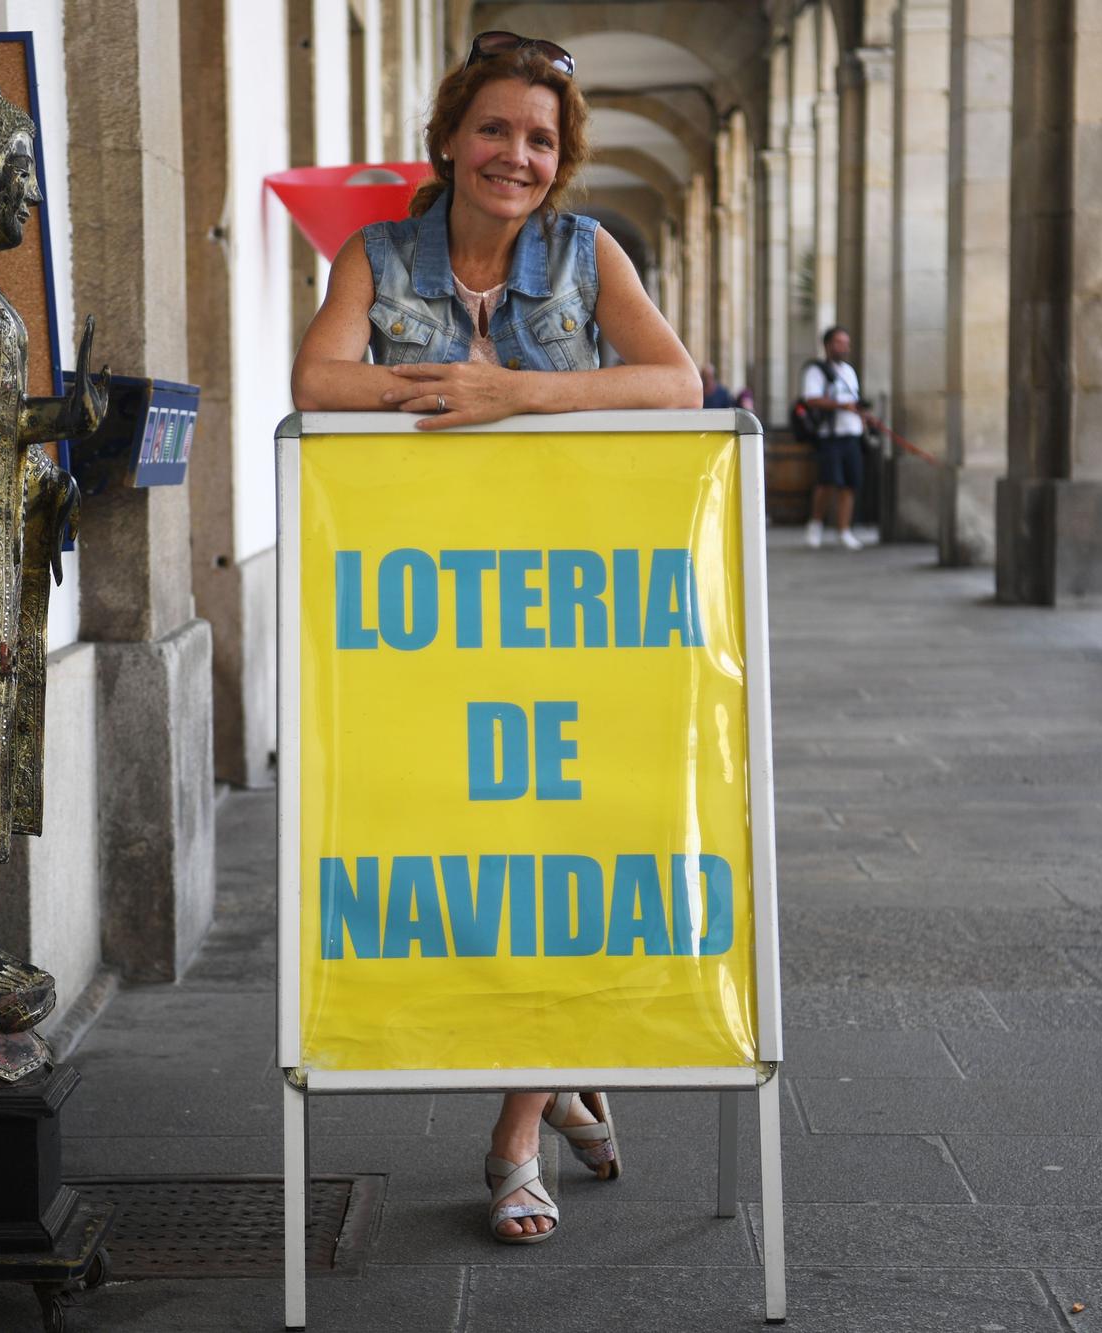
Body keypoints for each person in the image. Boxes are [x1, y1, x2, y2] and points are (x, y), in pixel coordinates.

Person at [290, 32, 699, 1245]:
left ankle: (516, 1131)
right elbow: (318, 378)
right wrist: (445, 390)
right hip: (429, 620)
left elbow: (673, 383)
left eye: (539, 138)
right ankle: (565, 1069)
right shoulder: (376, 254)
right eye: (494, 129)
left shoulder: (588, 255)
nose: (514, 155)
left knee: (563, 860)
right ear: (450, 139)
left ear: (559, 159)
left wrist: (517, 389)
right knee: (467, 862)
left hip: (571, 610)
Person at [797, 325, 872, 549]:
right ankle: (815, 525)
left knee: (850, 483)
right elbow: (811, 399)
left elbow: (854, 399)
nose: (844, 348)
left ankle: (844, 529)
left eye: (846, 343)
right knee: (827, 481)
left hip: (852, 433)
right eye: (839, 343)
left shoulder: (849, 371)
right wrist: (842, 405)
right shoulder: (816, 371)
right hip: (830, 435)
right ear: (828, 345)